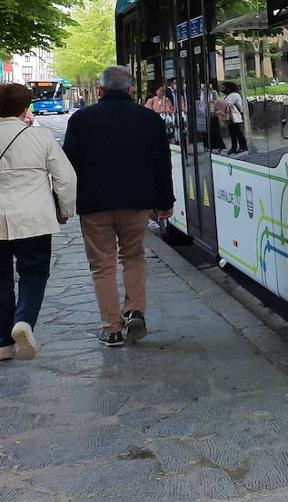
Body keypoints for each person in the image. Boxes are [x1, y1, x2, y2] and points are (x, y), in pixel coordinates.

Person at [63, 66, 174, 347]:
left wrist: (65, 203)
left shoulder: (81, 120)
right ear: (131, 90)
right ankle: (135, 309)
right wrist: (165, 202)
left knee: (102, 266)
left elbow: (69, 165)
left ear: (100, 90)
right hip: (136, 203)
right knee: (134, 256)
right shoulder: (149, 120)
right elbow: (162, 165)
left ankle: (111, 328)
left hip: (94, 204)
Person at [0, 84, 77, 362]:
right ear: (25, 108)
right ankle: (23, 322)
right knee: (33, 272)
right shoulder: (41, 138)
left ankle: (2, 343)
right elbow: (66, 179)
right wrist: (65, 209)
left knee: (0, 278)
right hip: (33, 218)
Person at [222, 82, 248, 154]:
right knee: (233, 133)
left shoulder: (234, 95)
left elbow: (227, 104)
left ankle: (243, 147)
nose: (223, 89)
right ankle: (234, 147)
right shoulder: (229, 95)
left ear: (229, 88)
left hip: (236, 117)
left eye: (224, 87)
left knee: (238, 133)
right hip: (231, 117)